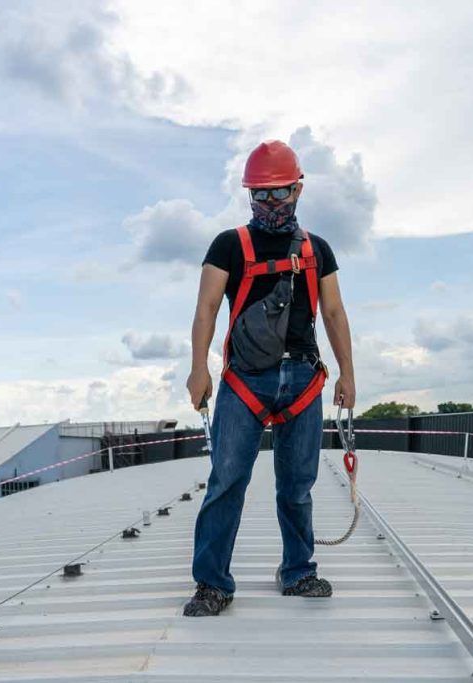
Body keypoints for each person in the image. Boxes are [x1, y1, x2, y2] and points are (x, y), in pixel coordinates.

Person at [183, 140, 356, 617]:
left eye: (279, 194)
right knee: (227, 480)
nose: (270, 205)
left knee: (297, 485)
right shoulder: (228, 245)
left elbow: (335, 312)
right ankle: (212, 583)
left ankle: (298, 571)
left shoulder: (317, 250)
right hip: (245, 381)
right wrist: (199, 368)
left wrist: (347, 374)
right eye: (260, 196)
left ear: (298, 189)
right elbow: (206, 308)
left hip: (303, 380)